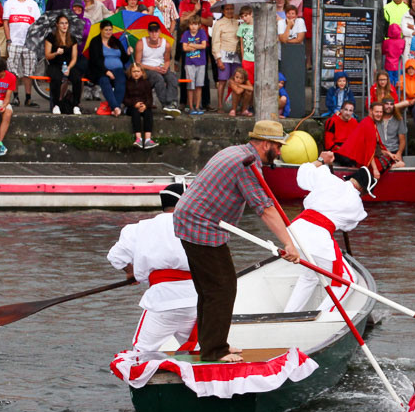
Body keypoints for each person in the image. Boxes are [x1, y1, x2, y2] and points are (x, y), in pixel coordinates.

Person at [173, 121, 300, 363]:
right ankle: (214, 351)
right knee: (222, 288)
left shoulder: (235, 151)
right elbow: (264, 208)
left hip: (190, 219)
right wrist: (288, 243)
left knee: (210, 289)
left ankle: (212, 344)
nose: (281, 152)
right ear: (266, 145)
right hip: (201, 225)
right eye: (278, 146)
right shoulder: (247, 166)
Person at [107, 183, 197, 356]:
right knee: (200, 352)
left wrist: (130, 271)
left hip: (162, 300)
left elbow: (116, 257)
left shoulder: (139, 228)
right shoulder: (197, 225)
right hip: (196, 300)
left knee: (140, 354)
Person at [283, 155, 373, 313]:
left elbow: (304, 172)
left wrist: (321, 161)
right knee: (348, 280)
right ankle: (322, 318)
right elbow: (348, 227)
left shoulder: (326, 177)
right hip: (317, 239)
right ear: (362, 190)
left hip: (294, 231)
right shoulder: (357, 204)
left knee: (309, 276)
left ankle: (288, 314)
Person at [1, 0, 40, 107]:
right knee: (13, 72)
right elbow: (5, 22)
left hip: (29, 43)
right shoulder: (9, 3)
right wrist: (8, 40)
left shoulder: (33, 4)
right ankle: (15, 97)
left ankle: (28, 98)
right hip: (14, 42)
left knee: (28, 72)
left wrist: (34, 41)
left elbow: (37, 24)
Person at [134, 21, 179, 115]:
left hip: (160, 67)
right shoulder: (141, 43)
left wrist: (165, 68)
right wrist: (154, 68)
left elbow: (167, 60)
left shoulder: (166, 44)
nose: (154, 34)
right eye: (151, 31)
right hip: (146, 69)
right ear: (148, 32)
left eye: (156, 31)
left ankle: (172, 102)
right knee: (157, 78)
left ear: (160, 32)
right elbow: (138, 63)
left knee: (172, 77)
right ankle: (166, 104)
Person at [87, 19, 130, 116]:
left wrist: (127, 53)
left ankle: (115, 107)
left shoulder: (115, 41)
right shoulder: (95, 42)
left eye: (110, 30)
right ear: (101, 30)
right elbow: (95, 60)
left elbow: (124, 59)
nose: (108, 32)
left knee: (121, 80)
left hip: (118, 69)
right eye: (106, 30)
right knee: (104, 81)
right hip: (101, 70)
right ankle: (115, 107)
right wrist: (106, 71)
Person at [43, 13, 83, 115]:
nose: (64, 26)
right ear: (57, 24)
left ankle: (75, 105)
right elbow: (47, 56)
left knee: (77, 79)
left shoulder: (72, 38)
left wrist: (69, 68)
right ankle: (56, 104)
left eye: (66, 23)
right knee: (56, 78)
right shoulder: (51, 37)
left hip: (68, 65)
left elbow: (74, 58)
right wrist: (56, 53)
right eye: (62, 23)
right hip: (55, 64)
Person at [123, 62, 158, 149]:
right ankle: (138, 138)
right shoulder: (127, 83)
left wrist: (145, 105)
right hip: (131, 106)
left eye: (138, 71)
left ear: (142, 72)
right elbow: (125, 99)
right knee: (135, 113)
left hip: (143, 105)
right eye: (134, 71)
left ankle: (148, 139)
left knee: (148, 113)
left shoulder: (146, 83)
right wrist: (135, 104)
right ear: (130, 73)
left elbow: (150, 98)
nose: (136, 73)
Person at [180, 14, 208, 115]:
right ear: (189, 25)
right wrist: (197, 46)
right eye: (191, 24)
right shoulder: (186, 34)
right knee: (190, 85)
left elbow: (204, 46)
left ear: (199, 25)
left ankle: (197, 106)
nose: (193, 27)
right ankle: (191, 106)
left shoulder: (202, 33)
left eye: (195, 24)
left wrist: (191, 45)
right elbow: (184, 48)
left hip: (201, 63)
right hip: (189, 63)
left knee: (199, 85)